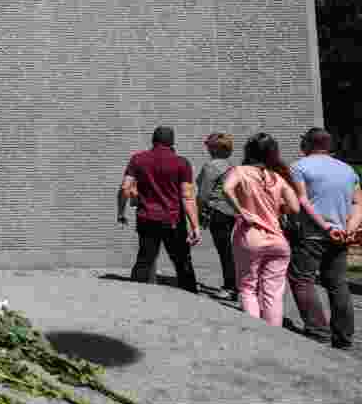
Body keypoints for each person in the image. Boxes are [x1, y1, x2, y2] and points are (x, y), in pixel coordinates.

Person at [286, 128, 361, 349]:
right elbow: (358, 203)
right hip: (340, 235)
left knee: (302, 279)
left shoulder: (299, 167)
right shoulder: (347, 169)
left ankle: (318, 331)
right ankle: (344, 337)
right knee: (337, 283)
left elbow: (302, 200)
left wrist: (325, 227)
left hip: (310, 235)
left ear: (307, 145)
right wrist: (349, 228)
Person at [221, 133, 300, 327]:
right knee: (273, 292)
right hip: (277, 240)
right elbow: (295, 207)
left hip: (250, 236)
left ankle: (255, 333)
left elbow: (226, 189)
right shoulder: (277, 178)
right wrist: (279, 208)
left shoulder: (239, 171)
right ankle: (274, 334)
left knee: (248, 288)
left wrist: (242, 211)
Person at [118, 126, 201, 293]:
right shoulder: (182, 163)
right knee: (182, 262)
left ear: (153, 140)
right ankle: (192, 297)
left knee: (144, 259)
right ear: (172, 143)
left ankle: (134, 297)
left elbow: (125, 188)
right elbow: (187, 197)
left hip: (146, 218)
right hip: (173, 220)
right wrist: (195, 226)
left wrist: (120, 212)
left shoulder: (138, 159)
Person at [197, 133, 238, 300]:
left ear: (215, 148)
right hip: (231, 212)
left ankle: (230, 287)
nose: (206, 147)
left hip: (217, 212)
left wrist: (198, 213)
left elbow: (203, 194)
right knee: (230, 250)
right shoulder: (231, 166)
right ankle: (234, 285)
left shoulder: (211, 166)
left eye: (209, 145)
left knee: (225, 251)